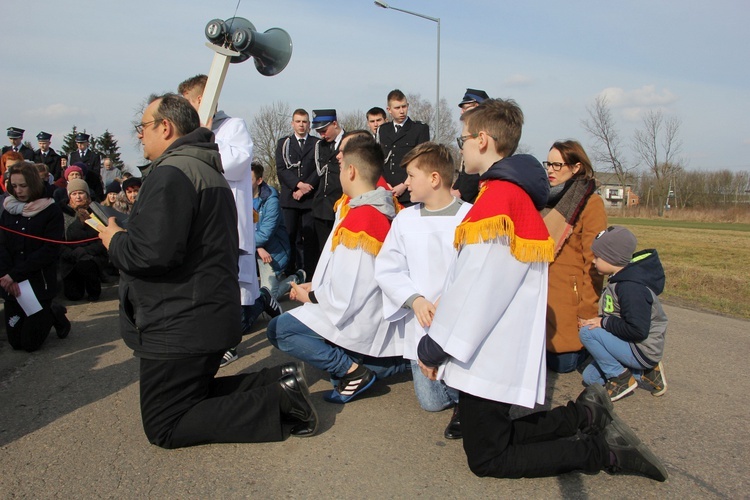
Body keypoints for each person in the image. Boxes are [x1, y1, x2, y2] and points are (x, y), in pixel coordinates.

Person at [416, 99, 667, 481]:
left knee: (488, 458)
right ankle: (584, 416)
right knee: (494, 438)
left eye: (462, 138)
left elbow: (477, 291)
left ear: (482, 140)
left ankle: (602, 452)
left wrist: (434, 345)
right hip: (491, 343)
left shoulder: (500, 200)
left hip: (484, 347)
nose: (461, 147)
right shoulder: (505, 195)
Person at [97, 93, 318, 448]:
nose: (140, 136)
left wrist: (115, 240)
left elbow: (153, 254)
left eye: (144, 127)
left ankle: (278, 400)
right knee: (188, 396)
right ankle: (279, 381)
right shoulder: (203, 168)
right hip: (200, 312)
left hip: (179, 320)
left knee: (165, 424)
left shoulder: (172, 173)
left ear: (165, 127)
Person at [267, 135, 410, 404]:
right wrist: (317, 286)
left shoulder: (364, 217)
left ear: (352, 171)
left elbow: (350, 290)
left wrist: (312, 297)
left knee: (280, 330)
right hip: (358, 306)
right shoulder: (368, 206)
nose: (339, 170)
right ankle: (379, 364)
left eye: (342, 166)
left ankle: (354, 372)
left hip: (355, 311)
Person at [179, 74, 281, 368]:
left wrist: (200, 143)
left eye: (185, 101)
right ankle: (256, 305)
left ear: (201, 100)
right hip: (200, 222)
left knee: (231, 287)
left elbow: (235, 164)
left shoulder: (232, 126)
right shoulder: (190, 133)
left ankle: (230, 343)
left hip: (228, 222)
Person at [374, 142, 471, 439]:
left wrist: (450, 301)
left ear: (434, 179)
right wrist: (414, 300)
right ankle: (463, 395)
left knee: (462, 370)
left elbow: (476, 269)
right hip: (422, 323)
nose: (406, 184)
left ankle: (468, 403)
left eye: (411, 176)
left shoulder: (470, 217)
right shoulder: (405, 219)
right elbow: (387, 267)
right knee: (430, 402)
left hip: (460, 320)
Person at [579, 226, 668, 401]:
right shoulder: (620, 281)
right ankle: (646, 372)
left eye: (598, 257)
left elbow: (637, 330)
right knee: (590, 378)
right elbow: (619, 317)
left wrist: (602, 323)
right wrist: (599, 321)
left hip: (643, 348)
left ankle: (621, 378)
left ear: (612, 258)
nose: (594, 261)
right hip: (632, 344)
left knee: (587, 334)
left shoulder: (630, 288)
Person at [543, 140, 608, 373]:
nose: (550, 169)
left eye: (557, 165)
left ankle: (612, 354)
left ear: (576, 167)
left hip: (567, 300)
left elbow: (594, 261)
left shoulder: (591, 203)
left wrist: (587, 311)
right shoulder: (544, 200)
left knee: (561, 364)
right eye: (548, 164)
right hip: (541, 296)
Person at [0, 162, 71, 351]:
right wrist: (8, 276)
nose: (18, 191)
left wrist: (16, 274)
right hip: (12, 283)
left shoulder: (50, 209)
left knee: (30, 344)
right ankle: (44, 313)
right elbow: (2, 246)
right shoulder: (8, 209)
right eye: (14, 186)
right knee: (16, 343)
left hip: (38, 281)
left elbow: (49, 250)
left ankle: (52, 312)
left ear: (33, 183)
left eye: (23, 186)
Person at [275, 109, 319, 278]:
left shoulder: (316, 143)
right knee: (289, 236)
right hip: (290, 198)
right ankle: (288, 271)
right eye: (298, 121)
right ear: (292, 123)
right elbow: (281, 169)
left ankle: (309, 272)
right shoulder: (284, 143)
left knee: (309, 237)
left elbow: (318, 169)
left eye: (304, 122)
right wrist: (298, 185)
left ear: (309, 125)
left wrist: (306, 188)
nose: (301, 125)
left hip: (309, 198)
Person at [252, 161, 302, 300]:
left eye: (249, 179)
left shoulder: (271, 201)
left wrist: (256, 246)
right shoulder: (241, 198)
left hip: (272, 251)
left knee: (269, 297)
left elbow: (265, 234)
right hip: (256, 248)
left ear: (259, 180)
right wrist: (257, 247)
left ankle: (295, 278)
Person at [376, 89, 430, 206]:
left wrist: (405, 185)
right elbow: (379, 159)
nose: (402, 111)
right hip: (386, 191)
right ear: (389, 110)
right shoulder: (383, 130)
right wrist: (384, 184)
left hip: (409, 193)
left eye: (404, 107)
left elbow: (421, 161)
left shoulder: (419, 129)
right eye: (397, 108)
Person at [59, 179, 108, 301]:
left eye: (81, 193)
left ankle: (94, 287)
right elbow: (58, 241)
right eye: (74, 194)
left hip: (92, 256)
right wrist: (72, 253)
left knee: (86, 265)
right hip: (70, 258)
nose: (78, 197)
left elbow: (104, 237)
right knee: (73, 296)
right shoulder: (62, 214)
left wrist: (87, 251)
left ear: (87, 194)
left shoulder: (97, 212)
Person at [311, 109, 344, 251]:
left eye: (324, 130)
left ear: (335, 124)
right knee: (323, 250)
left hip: (341, 202)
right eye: (319, 132)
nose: (322, 135)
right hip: (322, 206)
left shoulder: (350, 141)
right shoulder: (320, 145)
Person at [450, 89, 489, 203]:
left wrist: (460, 191)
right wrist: (454, 188)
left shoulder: (483, 132)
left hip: (475, 197)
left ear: (476, 107)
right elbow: (464, 171)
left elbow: (478, 167)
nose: (462, 112)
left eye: (465, 108)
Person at [69, 133, 104, 202]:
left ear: (87, 143)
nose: (80, 145)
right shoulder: (73, 155)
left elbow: (96, 172)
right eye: (78, 143)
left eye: (82, 143)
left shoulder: (94, 156)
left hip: (90, 184)